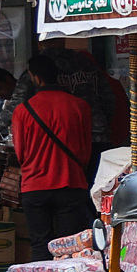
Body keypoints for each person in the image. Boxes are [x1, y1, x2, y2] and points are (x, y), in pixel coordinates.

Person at [12, 52, 96, 249]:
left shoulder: (22, 111)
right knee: (68, 246)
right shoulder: (79, 106)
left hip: (35, 185)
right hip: (71, 183)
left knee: (40, 243)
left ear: (36, 78)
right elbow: (85, 150)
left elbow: (20, 154)